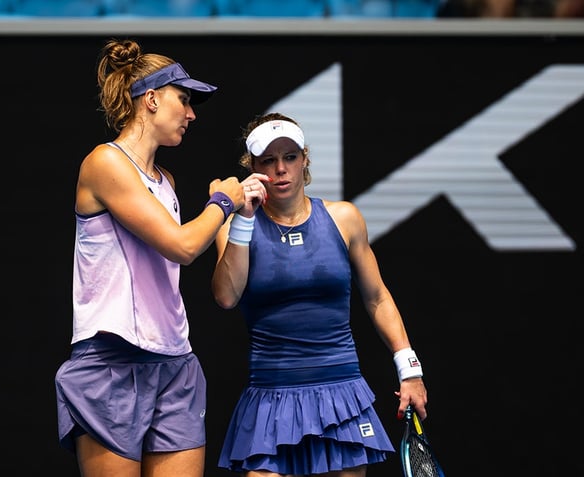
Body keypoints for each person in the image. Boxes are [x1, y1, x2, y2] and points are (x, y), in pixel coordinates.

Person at [53, 38, 268, 477]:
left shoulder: (165, 179)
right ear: (150, 100)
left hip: (175, 363)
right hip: (111, 363)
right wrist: (223, 202)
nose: (191, 115)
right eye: (183, 100)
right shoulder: (105, 163)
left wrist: (233, 211)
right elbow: (184, 246)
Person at [211, 113, 430, 476]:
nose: (281, 169)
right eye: (268, 160)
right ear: (252, 167)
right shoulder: (235, 227)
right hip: (271, 397)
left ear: (305, 160)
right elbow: (226, 297)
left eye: (290, 157)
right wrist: (245, 218)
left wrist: (409, 369)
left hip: (341, 394)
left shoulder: (345, 218)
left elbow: (377, 298)